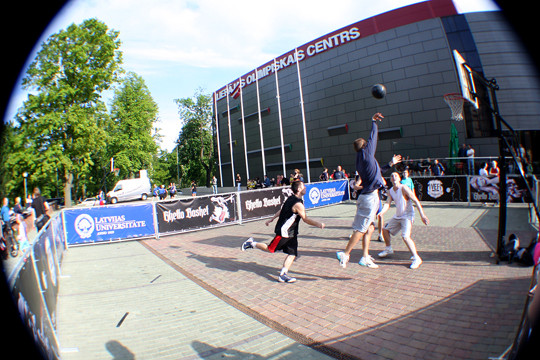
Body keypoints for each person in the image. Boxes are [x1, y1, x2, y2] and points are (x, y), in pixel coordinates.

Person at [241, 181, 325, 283]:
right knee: (271, 249)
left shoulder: (292, 199)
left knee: (292, 253)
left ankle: (283, 274)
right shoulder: (297, 204)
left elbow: (281, 210)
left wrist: (272, 219)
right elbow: (305, 219)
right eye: (303, 186)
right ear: (298, 189)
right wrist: (318, 224)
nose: (305, 188)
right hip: (284, 232)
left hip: (292, 233)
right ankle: (251, 243)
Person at [336, 112, 386, 269]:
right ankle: (346, 253)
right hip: (370, 198)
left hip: (364, 197)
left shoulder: (359, 159)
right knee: (361, 229)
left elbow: (376, 171)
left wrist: (389, 165)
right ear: (364, 147)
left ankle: (364, 256)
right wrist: (373, 122)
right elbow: (373, 137)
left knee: (370, 228)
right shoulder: (367, 154)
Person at [377, 172, 430, 269]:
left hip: (407, 216)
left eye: (396, 175)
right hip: (398, 216)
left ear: (399, 178)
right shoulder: (391, 191)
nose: (393, 177)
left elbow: (416, 200)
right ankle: (388, 249)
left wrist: (422, 215)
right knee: (384, 230)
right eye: (392, 176)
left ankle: (416, 258)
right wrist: (382, 212)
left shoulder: (404, 188)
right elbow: (388, 203)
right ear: (391, 180)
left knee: (405, 236)